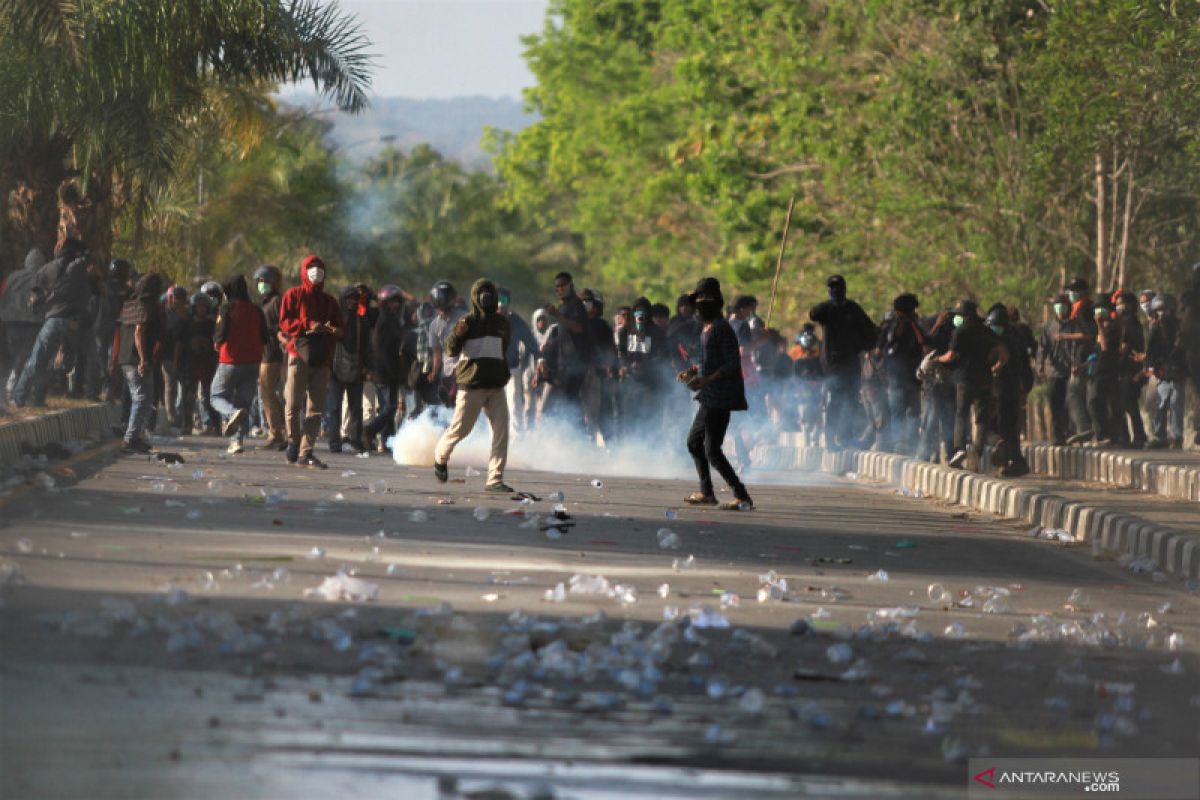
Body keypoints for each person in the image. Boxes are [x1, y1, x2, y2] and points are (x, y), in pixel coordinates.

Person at [680, 277, 754, 511]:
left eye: (702, 301)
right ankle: (707, 492)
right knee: (695, 443)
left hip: (720, 395)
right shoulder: (706, 329)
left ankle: (741, 496)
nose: (698, 307)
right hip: (709, 395)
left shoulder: (722, 329)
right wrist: (694, 371)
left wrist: (707, 379)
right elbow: (709, 361)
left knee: (711, 450)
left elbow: (732, 363)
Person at [432, 279, 513, 492]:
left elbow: (503, 348)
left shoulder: (502, 323)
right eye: (481, 292)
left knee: (502, 432)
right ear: (474, 296)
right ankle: (440, 457)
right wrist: (458, 334)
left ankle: (495, 479)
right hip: (471, 386)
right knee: (460, 429)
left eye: (489, 291)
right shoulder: (466, 322)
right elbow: (451, 349)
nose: (485, 296)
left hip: (496, 386)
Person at [11, 238, 93, 407]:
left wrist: (39, 310)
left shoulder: (48, 268)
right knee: (60, 364)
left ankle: (20, 397)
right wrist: (81, 246)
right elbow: (89, 256)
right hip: (73, 323)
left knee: (36, 360)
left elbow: (35, 296)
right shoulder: (79, 269)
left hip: (53, 321)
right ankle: (40, 398)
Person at [278, 255, 343, 468]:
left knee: (315, 409)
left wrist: (328, 329)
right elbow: (285, 322)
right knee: (293, 403)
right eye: (311, 268)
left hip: (322, 357)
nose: (316, 272)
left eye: (319, 268)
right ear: (304, 271)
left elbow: (340, 329)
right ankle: (293, 440)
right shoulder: (293, 295)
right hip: (298, 355)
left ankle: (307, 452)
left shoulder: (330, 301)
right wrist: (308, 324)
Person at [809, 275, 877, 448]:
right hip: (832, 362)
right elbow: (813, 314)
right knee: (836, 399)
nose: (835, 290)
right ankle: (831, 439)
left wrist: (865, 345)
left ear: (845, 289)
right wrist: (831, 303)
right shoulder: (827, 310)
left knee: (852, 398)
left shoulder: (853, 308)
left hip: (851, 360)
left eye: (838, 287)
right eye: (832, 288)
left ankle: (845, 436)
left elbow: (870, 329)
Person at [938, 299, 1007, 470]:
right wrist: (997, 366)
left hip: (964, 380)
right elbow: (1004, 352)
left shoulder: (959, 332)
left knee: (961, 414)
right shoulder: (986, 331)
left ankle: (959, 449)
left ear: (967, 316)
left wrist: (937, 359)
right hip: (984, 380)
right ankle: (977, 450)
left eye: (960, 315)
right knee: (982, 418)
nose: (958, 319)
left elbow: (951, 355)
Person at [210, 276, 268, 454]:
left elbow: (220, 334)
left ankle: (229, 413)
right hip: (252, 362)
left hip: (230, 361)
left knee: (216, 396)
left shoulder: (227, 308)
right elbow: (265, 337)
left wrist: (216, 343)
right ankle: (236, 442)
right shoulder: (257, 310)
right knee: (243, 404)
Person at [115, 272, 165, 453]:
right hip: (137, 359)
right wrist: (144, 359)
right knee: (142, 398)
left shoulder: (129, 304)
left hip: (125, 358)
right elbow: (139, 332)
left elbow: (120, 332)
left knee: (144, 398)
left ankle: (135, 437)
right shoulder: (146, 305)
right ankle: (130, 439)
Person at [537, 272, 592, 424]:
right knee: (567, 401)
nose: (559, 289)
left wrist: (556, 315)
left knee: (569, 401)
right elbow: (562, 338)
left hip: (576, 364)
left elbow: (578, 328)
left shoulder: (576, 305)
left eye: (562, 285)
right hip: (564, 364)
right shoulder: (562, 307)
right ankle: (572, 437)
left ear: (570, 286)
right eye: (557, 287)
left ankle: (578, 437)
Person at [985, 304, 1033, 476]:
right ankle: (1011, 462)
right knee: (1009, 428)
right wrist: (1025, 388)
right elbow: (1026, 368)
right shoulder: (1017, 338)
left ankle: (1008, 456)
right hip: (1013, 388)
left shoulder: (998, 341)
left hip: (1000, 389)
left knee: (993, 427)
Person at [876, 293, 924, 454]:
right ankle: (912, 444)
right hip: (913, 377)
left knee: (897, 412)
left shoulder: (889, 327)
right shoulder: (917, 326)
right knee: (913, 412)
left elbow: (877, 351)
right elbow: (926, 344)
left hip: (894, 377)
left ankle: (899, 443)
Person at [365, 284, 410, 452]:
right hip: (383, 372)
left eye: (398, 301)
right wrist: (388, 371)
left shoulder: (394, 320)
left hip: (391, 372)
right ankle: (371, 429)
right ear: (384, 303)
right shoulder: (384, 320)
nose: (396, 305)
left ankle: (387, 442)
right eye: (392, 302)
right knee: (390, 408)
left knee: (388, 408)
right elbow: (380, 350)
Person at [324, 285, 368, 454]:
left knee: (355, 408)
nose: (351, 301)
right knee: (334, 407)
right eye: (348, 298)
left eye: (354, 299)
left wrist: (368, 368)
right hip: (335, 369)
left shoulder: (361, 321)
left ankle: (355, 441)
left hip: (356, 369)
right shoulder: (333, 320)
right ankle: (334, 443)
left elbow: (366, 346)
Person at [616, 296, 669, 438]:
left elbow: (662, 356)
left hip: (652, 382)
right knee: (630, 417)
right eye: (637, 311)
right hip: (631, 380)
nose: (640, 314)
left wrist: (646, 365)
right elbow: (621, 353)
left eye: (643, 311)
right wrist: (625, 366)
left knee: (651, 418)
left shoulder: (657, 332)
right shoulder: (625, 331)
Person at [0, 248, 47, 407]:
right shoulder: (41, 277)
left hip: (9, 321)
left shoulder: (12, 276)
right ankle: (16, 391)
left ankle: (5, 392)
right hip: (31, 323)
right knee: (24, 358)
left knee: (10, 358)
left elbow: (3, 294)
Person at [1144, 294, 1186, 449]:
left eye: (1164, 310)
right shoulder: (1155, 328)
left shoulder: (1180, 326)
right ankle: (1159, 436)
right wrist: (1150, 366)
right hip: (1162, 372)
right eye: (1159, 310)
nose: (1162, 313)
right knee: (1159, 404)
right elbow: (1151, 350)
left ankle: (1177, 437)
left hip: (1178, 371)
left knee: (1176, 404)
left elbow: (1184, 349)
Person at [254, 264, 287, 450]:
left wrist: (269, 331)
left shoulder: (276, 302)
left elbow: (281, 326)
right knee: (267, 393)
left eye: (265, 281)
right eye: (259, 281)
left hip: (273, 353)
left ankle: (276, 433)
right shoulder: (264, 302)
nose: (262, 284)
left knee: (267, 392)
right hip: (264, 352)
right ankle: (279, 431)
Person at [497, 286, 539, 433]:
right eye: (497, 300)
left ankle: (517, 445)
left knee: (514, 407)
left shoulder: (515, 321)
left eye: (503, 300)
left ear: (508, 302)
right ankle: (494, 445)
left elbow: (532, 343)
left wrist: (540, 361)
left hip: (511, 371)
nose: (500, 304)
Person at [1037, 294, 1075, 445]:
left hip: (1071, 371)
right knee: (1055, 404)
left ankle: (1070, 432)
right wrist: (1040, 365)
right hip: (1054, 371)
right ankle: (1057, 435)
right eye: (1058, 304)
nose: (1060, 307)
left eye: (1063, 304)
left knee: (1069, 403)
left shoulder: (1074, 325)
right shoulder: (1048, 327)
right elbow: (1042, 348)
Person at [1112, 290, 1148, 447]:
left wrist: (1118, 358)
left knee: (1128, 404)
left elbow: (1125, 347)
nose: (1119, 307)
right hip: (1128, 369)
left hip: (1129, 369)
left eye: (1122, 303)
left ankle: (1138, 437)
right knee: (1127, 403)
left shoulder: (1128, 322)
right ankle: (1129, 436)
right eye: (1117, 304)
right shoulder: (1129, 321)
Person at [1084, 298, 1121, 446]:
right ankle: (1101, 434)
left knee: (1095, 402)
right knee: (1096, 403)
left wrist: (1099, 325)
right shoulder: (1101, 330)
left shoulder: (1111, 328)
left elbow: (1105, 348)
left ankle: (1105, 435)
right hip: (1099, 370)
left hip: (1108, 370)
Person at [427, 280, 466, 406]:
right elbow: (437, 352)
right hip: (448, 372)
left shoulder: (464, 318)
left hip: (465, 368)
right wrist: (434, 372)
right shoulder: (434, 325)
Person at [792, 324, 824, 447]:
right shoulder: (798, 363)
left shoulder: (818, 361)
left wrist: (817, 383)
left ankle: (814, 441)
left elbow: (823, 378)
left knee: (818, 421)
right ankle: (807, 443)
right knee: (806, 421)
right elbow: (795, 380)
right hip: (803, 397)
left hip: (816, 395)